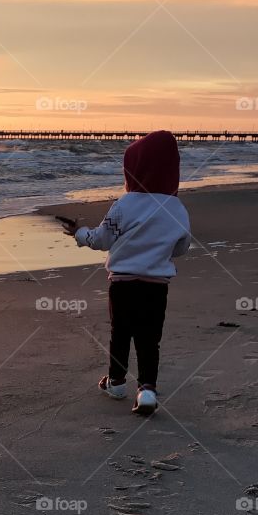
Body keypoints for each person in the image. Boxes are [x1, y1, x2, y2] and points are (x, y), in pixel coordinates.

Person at [57, 130, 191, 416]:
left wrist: (79, 232)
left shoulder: (125, 204)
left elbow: (101, 240)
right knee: (149, 337)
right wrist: (160, 250)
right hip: (157, 285)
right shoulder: (177, 208)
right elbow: (182, 247)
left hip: (123, 283)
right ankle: (147, 390)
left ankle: (116, 382)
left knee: (121, 332)